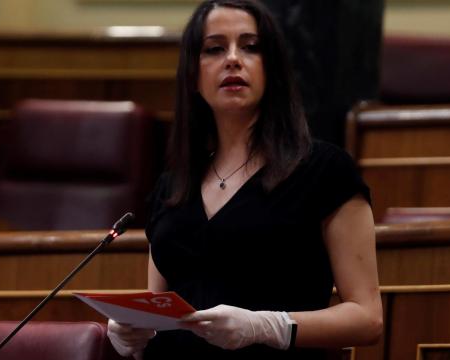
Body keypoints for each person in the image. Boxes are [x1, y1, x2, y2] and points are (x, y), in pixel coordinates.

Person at [106, 0, 382, 359]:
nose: (233, 59)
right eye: (215, 48)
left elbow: (368, 318)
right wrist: (135, 333)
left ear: (273, 70)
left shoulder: (325, 171)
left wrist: (268, 326)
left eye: (251, 47)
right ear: (193, 74)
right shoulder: (171, 188)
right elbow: (163, 311)